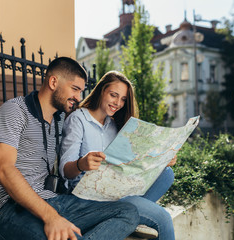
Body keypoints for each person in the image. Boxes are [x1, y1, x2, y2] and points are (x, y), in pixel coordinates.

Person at [0, 57, 140, 240]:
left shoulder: (59, 120)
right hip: (7, 209)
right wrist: (51, 218)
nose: (78, 98)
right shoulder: (15, 111)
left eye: (81, 91)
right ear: (53, 81)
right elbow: (3, 170)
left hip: (50, 199)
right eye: (75, 89)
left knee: (128, 212)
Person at [59, 70, 176, 240]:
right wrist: (81, 164)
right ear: (101, 91)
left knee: (166, 174)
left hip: (116, 191)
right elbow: (65, 171)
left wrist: (160, 159)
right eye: (114, 95)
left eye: (123, 99)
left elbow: (128, 164)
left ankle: (129, 218)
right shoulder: (78, 119)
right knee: (163, 218)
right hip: (87, 197)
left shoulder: (113, 125)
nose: (118, 103)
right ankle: (128, 217)